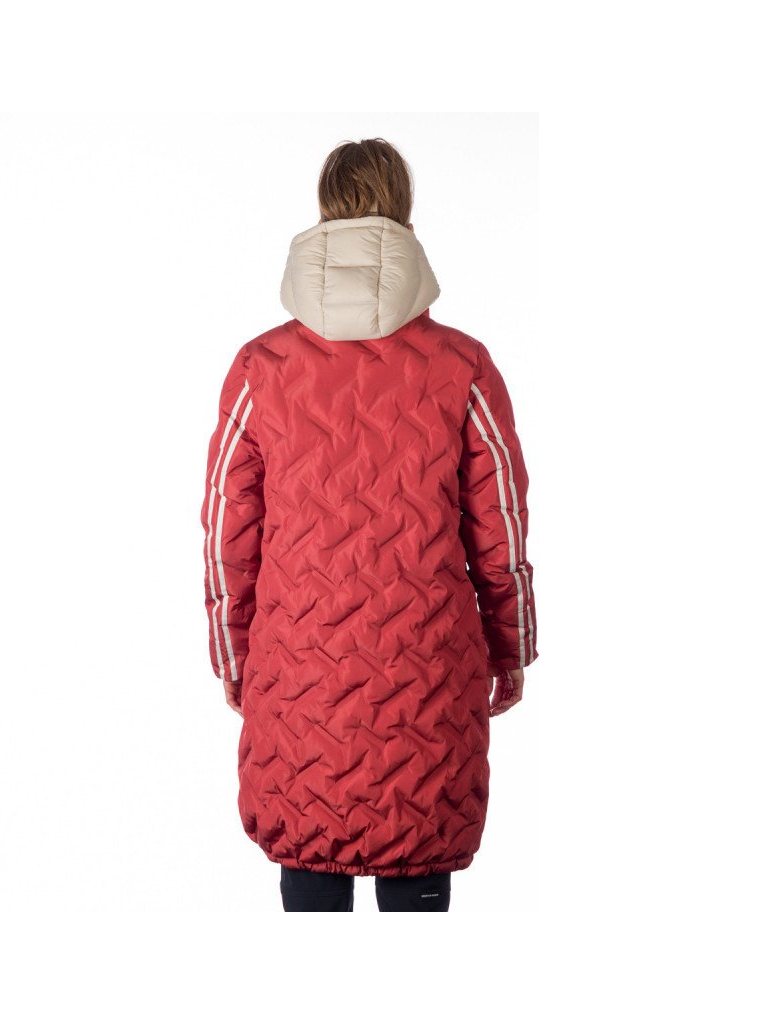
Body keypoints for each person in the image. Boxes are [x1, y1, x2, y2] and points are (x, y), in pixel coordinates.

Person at [200, 138, 538, 912]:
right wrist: (512, 649)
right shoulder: (464, 365)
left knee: (308, 868)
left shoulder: (260, 367)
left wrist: (233, 656)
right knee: (419, 886)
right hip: (430, 681)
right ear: (405, 216)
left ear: (324, 214)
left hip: (299, 679)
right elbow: (504, 533)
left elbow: (226, 536)